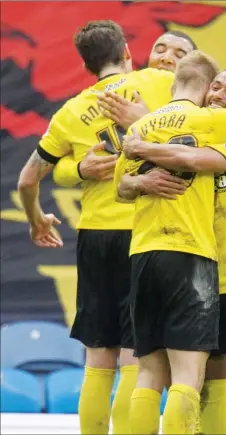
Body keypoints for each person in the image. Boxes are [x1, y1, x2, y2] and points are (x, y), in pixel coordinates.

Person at [114, 50, 226, 434]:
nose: (217, 95)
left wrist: (142, 142)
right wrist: (141, 169)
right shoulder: (199, 127)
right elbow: (124, 185)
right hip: (201, 271)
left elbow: (197, 160)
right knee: (210, 380)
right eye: (215, 86)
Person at [17, 20, 177, 435]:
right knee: (135, 357)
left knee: (98, 357)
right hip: (144, 233)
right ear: (127, 49)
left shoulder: (69, 113)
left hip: (95, 236)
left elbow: (28, 179)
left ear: (86, 64)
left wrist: (38, 220)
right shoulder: (159, 83)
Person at [52, 30, 197, 189]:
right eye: (159, 50)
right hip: (108, 211)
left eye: (180, 55)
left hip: (166, 207)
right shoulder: (115, 95)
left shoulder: (199, 106)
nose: (166, 58)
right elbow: (58, 169)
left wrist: (144, 124)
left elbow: (202, 156)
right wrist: (79, 170)